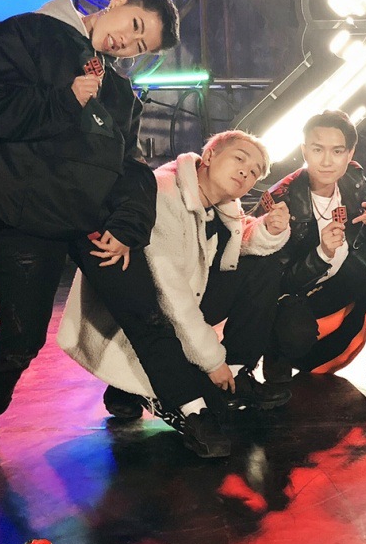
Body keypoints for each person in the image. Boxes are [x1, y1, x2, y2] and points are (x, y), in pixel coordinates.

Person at [0, 0, 180, 460]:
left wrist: (128, 227)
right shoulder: (30, 31)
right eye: (135, 26)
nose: (126, 43)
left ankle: (183, 408)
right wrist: (63, 100)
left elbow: (131, 167)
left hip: (91, 221)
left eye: (139, 47)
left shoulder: (120, 93)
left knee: (143, 312)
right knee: (21, 336)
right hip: (25, 216)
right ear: (118, 1)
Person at [57, 131, 292, 459]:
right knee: (209, 405)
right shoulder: (164, 192)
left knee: (263, 266)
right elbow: (169, 292)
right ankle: (129, 385)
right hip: (140, 315)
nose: (245, 172)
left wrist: (269, 229)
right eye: (239, 158)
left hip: (184, 301)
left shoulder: (225, 206)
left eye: (254, 171)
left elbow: (236, 245)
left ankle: (238, 372)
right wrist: (212, 361)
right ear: (209, 156)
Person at [261, 110, 366, 399]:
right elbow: (275, 281)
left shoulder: (353, 180)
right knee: (296, 336)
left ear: (349, 154)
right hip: (294, 299)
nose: (327, 161)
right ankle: (277, 357)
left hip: (337, 285)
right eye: (317, 149)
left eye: (337, 151)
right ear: (304, 150)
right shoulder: (282, 198)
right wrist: (321, 253)